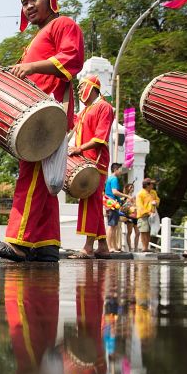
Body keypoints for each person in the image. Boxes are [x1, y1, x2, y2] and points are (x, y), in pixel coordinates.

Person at [0, 0, 84, 263]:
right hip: (37, 112)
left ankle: (18, 243)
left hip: (47, 113)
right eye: (24, 2)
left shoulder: (63, 24)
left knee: (32, 176)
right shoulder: (38, 35)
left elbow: (72, 58)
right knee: (44, 178)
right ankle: (46, 243)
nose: (28, 6)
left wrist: (29, 67)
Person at [68, 75, 115, 259]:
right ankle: (102, 247)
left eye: (81, 87)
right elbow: (71, 121)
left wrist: (79, 148)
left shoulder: (104, 107)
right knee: (93, 202)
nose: (79, 91)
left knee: (91, 202)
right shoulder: (85, 111)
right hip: (84, 162)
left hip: (96, 162)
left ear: (92, 87)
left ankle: (88, 248)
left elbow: (100, 138)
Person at [103, 163, 126, 253]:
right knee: (112, 226)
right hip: (111, 204)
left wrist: (121, 198)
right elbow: (115, 192)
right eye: (120, 169)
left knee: (114, 226)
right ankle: (109, 247)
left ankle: (113, 246)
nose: (121, 171)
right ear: (116, 169)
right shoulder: (114, 178)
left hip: (112, 203)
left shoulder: (111, 178)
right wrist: (126, 195)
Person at [135, 178, 160, 252]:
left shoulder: (153, 192)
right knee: (143, 231)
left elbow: (158, 199)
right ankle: (144, 247)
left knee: (149, 231)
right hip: (143, 216)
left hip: (152, 215)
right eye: (151, 184)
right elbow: (140, 206)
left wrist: (156, 202)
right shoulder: (140, 194)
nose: (152, 185)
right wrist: (148, 212)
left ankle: (146, 247)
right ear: (147, 185)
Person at [119, 182, 138, 252]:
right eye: (130, 187)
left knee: (137, 233)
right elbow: (121, 207)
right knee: (129, 232)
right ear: (127, 188)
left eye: (133, 187)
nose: (132, 188)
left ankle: (136, 248)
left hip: (136, 216)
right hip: (129, 216)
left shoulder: (134, 197)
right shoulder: (124, 198)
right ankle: (130, 248)